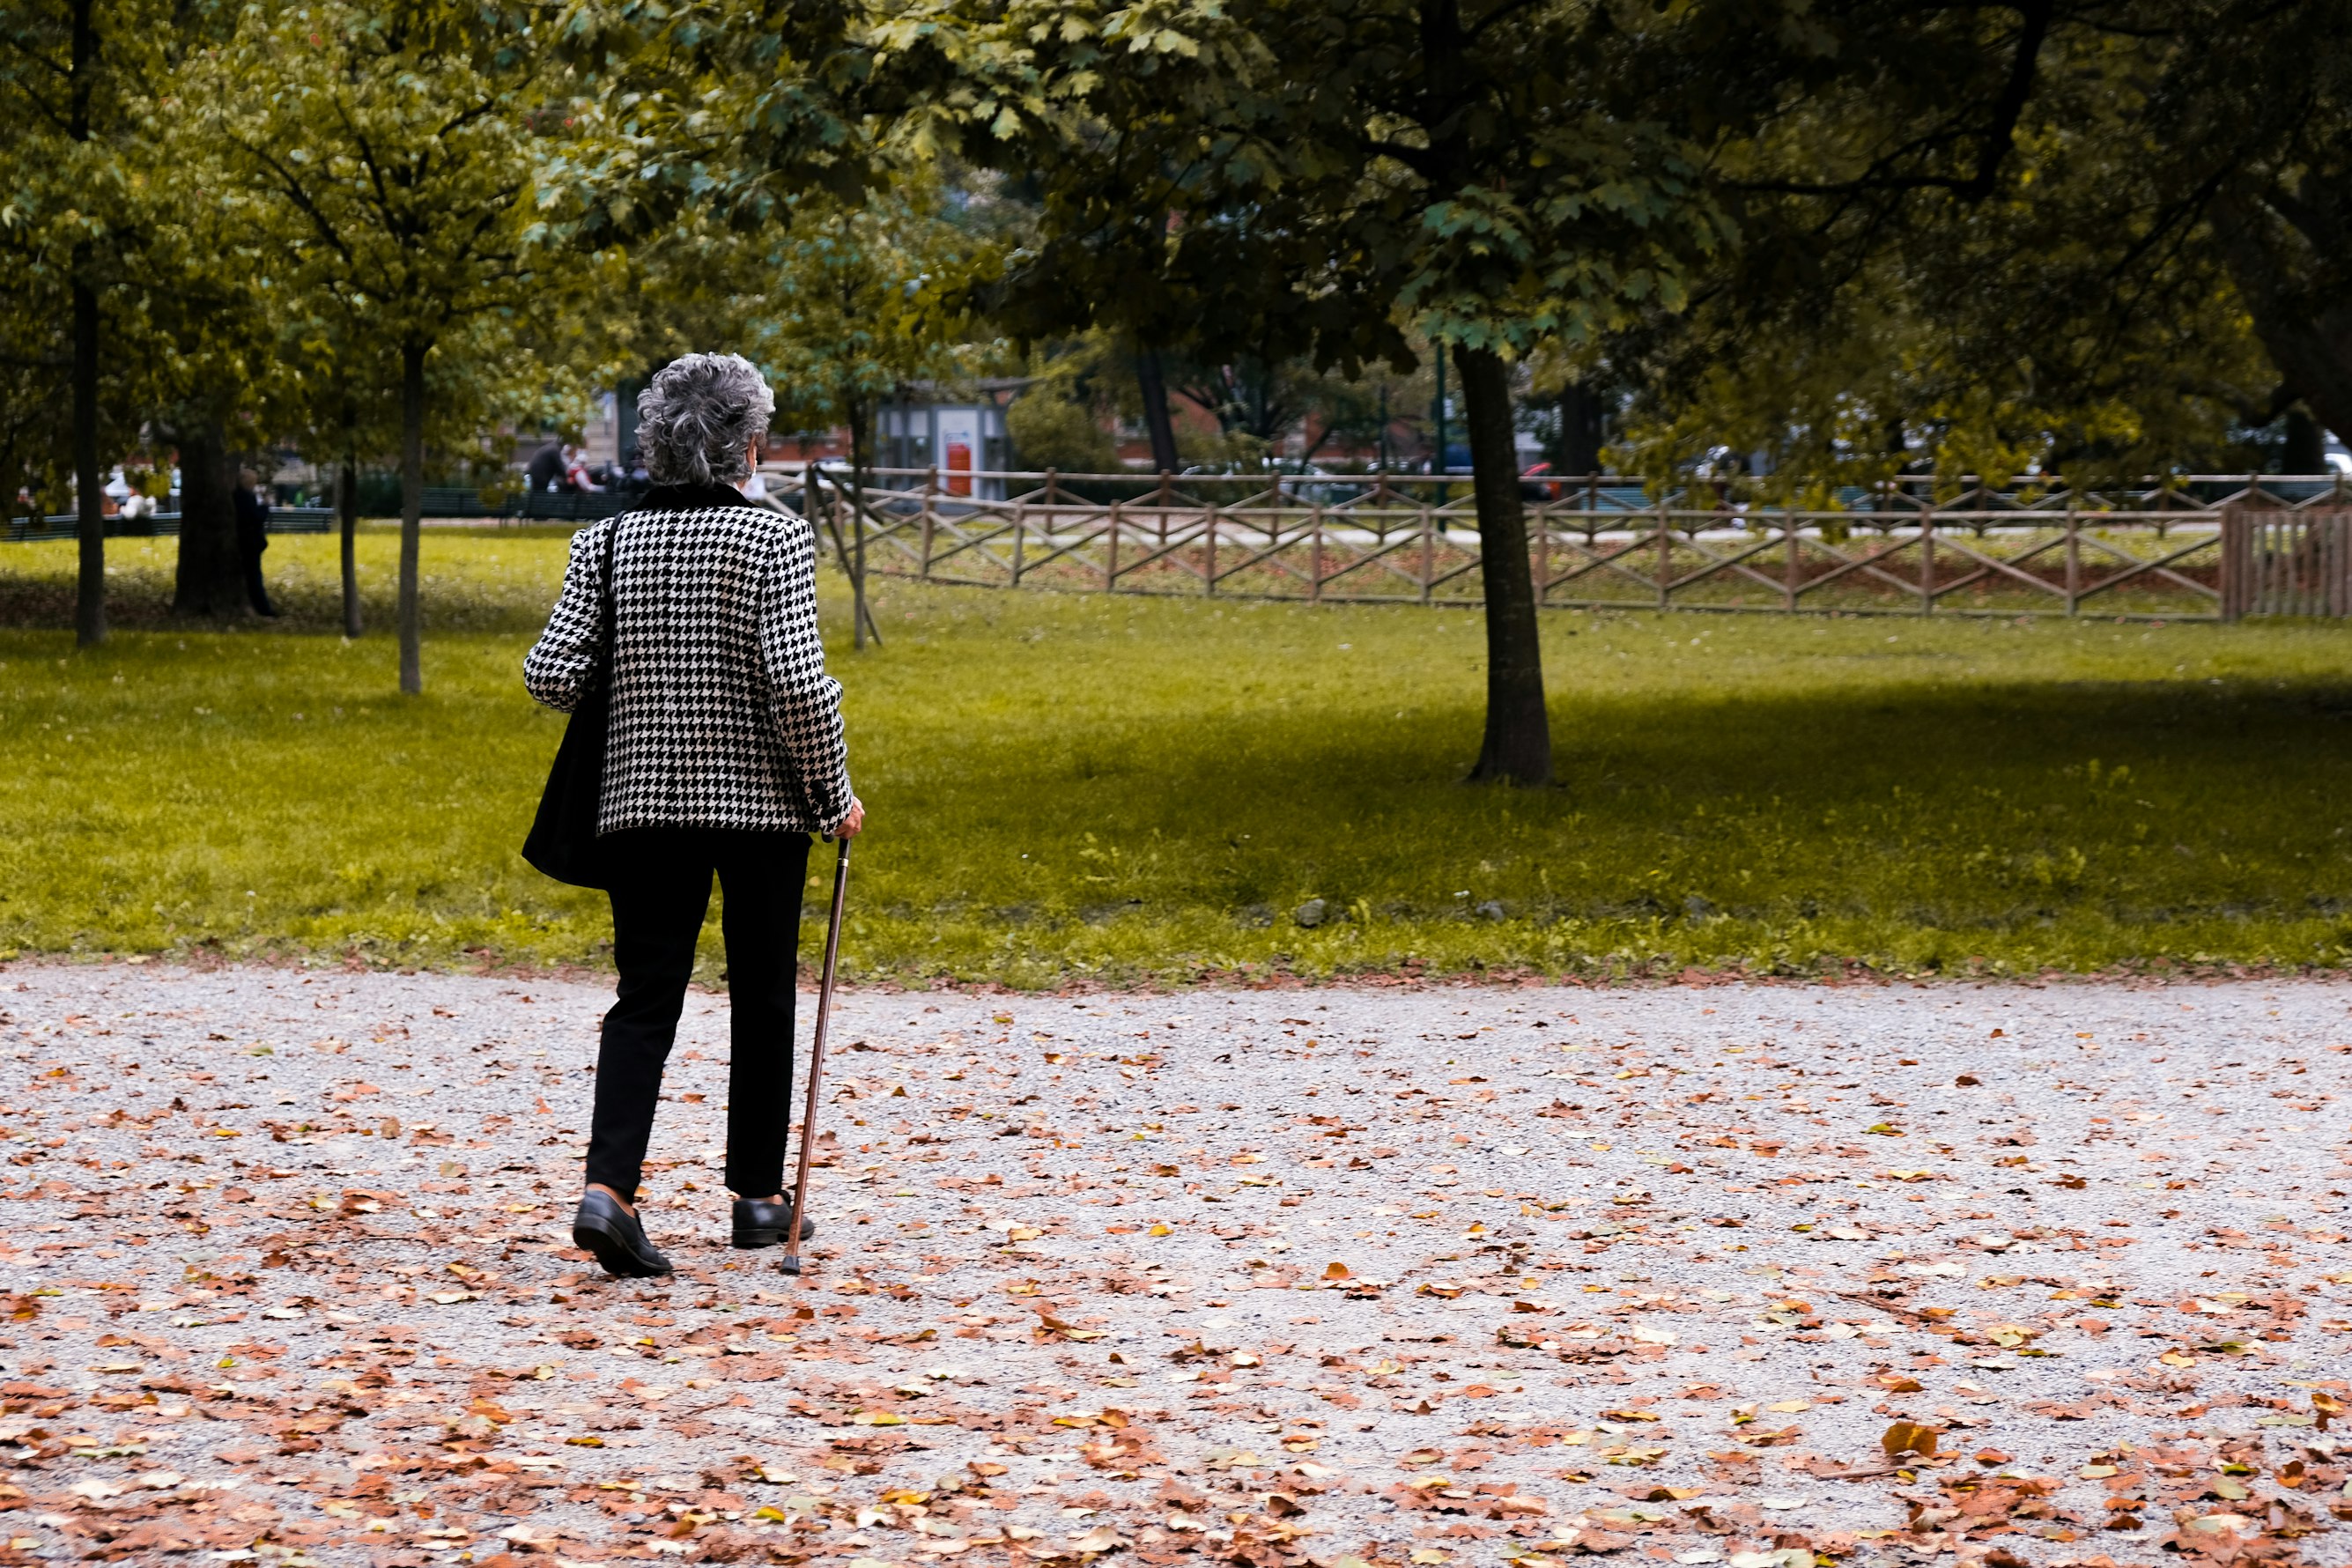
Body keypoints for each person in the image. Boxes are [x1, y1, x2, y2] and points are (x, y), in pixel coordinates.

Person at [524, 351, 865, 1279]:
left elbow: (551, 674)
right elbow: (797, 685)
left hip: (640, 800)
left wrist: (645, 664)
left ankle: (610, 1190)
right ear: (747, 442)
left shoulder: (606, 543)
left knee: (646, 998)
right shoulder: (774, 539)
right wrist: (835, 793)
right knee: (762, 994)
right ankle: (759, 1199)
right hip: (760, 806)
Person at [233, 468, 277, 618]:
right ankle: (263, 608)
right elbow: (256, 518)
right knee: (254, 577)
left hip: (244, 542)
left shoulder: (237, 496)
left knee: (252, 576)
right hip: (250, 543)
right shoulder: (246, 497)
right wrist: (265, 506)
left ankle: (260, 607)